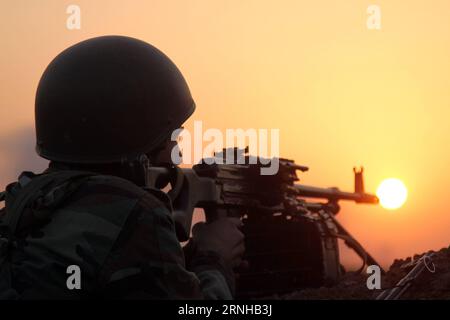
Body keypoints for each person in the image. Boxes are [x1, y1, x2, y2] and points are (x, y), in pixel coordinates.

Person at [0, 36, 245, 299]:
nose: (177, 155)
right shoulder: (135, 214)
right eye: (171, 138)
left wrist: (187, 257)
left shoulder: (24, 203)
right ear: (137, 143)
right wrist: (214, 257)